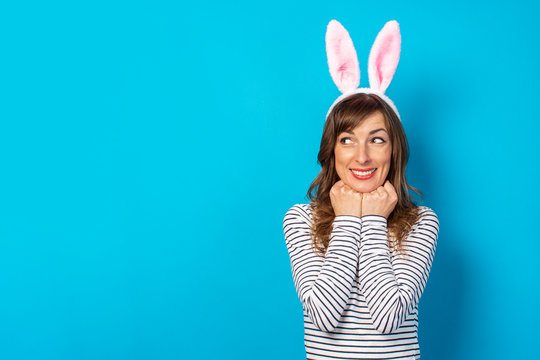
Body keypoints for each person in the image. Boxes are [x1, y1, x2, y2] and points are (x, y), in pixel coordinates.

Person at [283, 20, 439, 360]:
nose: (363, 155)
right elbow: (323, 317)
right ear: (332, 150)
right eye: (347, 140)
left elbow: (387, 319)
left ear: (394, 149)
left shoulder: (422, 222)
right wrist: (348, 221)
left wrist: (370, 220)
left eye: (377, 139)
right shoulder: (300, 219)